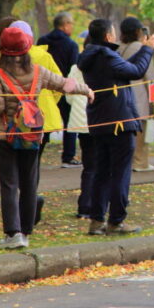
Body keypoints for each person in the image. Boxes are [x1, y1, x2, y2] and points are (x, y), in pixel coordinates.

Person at [0, 27, 93, 249]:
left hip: (5, 136)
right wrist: (87, 90)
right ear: (27, 49)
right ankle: (26, 231)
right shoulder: (38, 72)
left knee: (9, 184)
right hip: (31, 134)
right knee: (29, 183)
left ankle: (13, 234)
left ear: (2, 51)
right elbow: (64, 84)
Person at [77, 18, 154, 235]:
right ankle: (116, 221)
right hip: (119, 119)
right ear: (107, 36)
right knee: (120, 172)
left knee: (102, 172)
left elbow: (129, 69)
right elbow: (136, 70)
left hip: (100, 120)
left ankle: (96, 220)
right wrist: (147, 49)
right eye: (112, 32)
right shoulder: (106, 55)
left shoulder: (90, 57)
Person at [37, 13, 81, 167]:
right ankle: (68, 156)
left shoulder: (42, 41)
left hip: (44, 88)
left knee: (42, 119)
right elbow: (73, 68)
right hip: (63, 87)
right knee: (69, 122)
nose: (72, 27)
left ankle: (37, 149)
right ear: (65, 25)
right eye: (71, 24)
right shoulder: (71, 45)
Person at [117, 17, 154, 173]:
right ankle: (140, 162)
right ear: (138, 31)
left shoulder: (118, 48)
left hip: (121, 94)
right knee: (141, 130)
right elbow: (149, 74)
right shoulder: (142, 47)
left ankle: (126, 162)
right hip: (138, 92)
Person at [63, 55, 96, 220]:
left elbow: (68, 95)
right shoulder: (104, 65)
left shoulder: (75, 68)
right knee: (102, 166)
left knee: (89, 166)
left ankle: (84, 205)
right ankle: (95, 205)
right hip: (98, 120)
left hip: (79, 120)